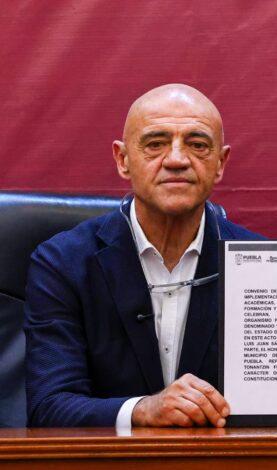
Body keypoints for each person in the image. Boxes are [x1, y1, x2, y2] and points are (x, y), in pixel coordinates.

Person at [24, 84, 264, 428]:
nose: (177, 160)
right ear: (122, 160)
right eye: (155, 144)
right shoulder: (63, 263)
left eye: (197, 145)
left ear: (220, 163)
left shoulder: (262, 264)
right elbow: (49, 407)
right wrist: (143, 410)